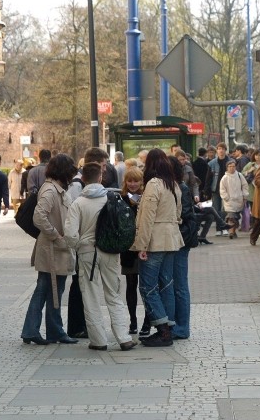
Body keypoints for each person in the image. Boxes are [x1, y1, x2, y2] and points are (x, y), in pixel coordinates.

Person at [63, 162, 136, 352]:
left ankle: (98, 340)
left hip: (87, 252)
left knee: (91, 296)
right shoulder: (112, 199)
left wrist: (78, 246)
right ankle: (124, 337)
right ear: (101, 177)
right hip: (110, 251)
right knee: (113, 293)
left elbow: (70, 234)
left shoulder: (78, 203)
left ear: (83, 179)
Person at [20, 153, 79, 344]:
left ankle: (49, 330)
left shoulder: (55, 188)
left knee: (53, 290)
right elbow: (39, 217)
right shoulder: (51, 191)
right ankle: (37, 330)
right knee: (47, 289)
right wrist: (56, 236)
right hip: (52, 250)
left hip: (56, 250)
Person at [133, 148, 184, 348]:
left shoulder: (154, 185)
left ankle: (162, 330)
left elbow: (147, 217)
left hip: (155, 240)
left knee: (147, 286)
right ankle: (168, 327)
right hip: (172, 239)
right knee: (166, 285)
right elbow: (178, 214)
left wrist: (141, 244)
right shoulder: (174, 185)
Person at [168, 156, 199, 340]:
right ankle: (177, 325)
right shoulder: (175, 187)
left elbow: (185, 214)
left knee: (179, 284)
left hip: (181, 240)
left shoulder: (182, 188)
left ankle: (182, 327)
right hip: (177, 238)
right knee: (176, 283)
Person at [119, 167, 144, 335]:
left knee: (147, 286)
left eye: (136, 181)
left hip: (144, 247)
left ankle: (149, 322)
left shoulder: (147, 198)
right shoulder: (121, 199)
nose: (133, 184)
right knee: (131, 285)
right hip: (128, 249)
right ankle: (133, 321)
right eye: (130, 181)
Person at [219, 159, 248, 239]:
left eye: (233, 166)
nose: (232, 168)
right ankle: (231, 232)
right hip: (229, 202)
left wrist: (244, 196)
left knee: (236, 217)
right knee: (231, 216)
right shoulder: (224, 178)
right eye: (230, 166)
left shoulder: (239, 175)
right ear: (227, 167)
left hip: (239, 200)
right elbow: (222, 189)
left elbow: (245, 186)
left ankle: (233, 231)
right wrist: (226, 198)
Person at [205, 142, 230, 235]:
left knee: (224, 209)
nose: (221, 151)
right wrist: (206, 190)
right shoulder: (212, 163)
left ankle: (224, 227)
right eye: (219, 149)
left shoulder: (230, 161)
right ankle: (219, 228)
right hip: (215, 189)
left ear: (225, 150)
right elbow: (208, 178)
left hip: (227, 189)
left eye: (223, 149)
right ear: (217, 150)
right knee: (216, 209)